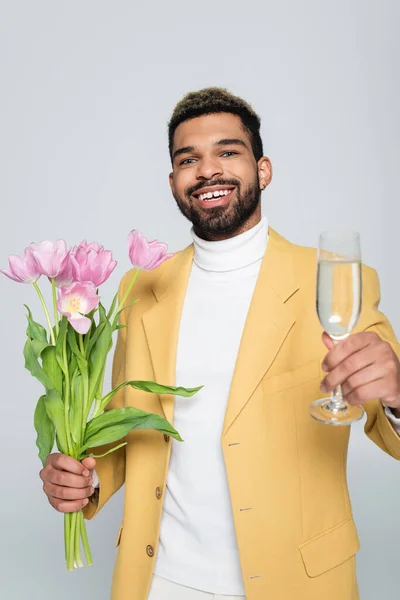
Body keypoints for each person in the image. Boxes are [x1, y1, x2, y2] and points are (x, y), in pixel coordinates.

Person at [40, 88, 400, 600]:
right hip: (159, 581)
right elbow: (127, 425)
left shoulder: (335, 280)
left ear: (263, 169)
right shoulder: (140, 289)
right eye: (189, 160)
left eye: (228, 152)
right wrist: (83, 479)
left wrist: (396, 395)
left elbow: (390, 428)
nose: (208, 171)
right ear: (173, 182)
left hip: (295, 582)